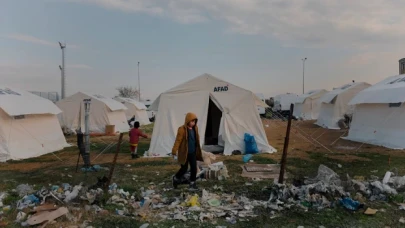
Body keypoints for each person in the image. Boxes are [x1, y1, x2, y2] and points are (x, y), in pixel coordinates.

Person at [171, 112, 203, 191]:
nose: (193, 123)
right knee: (184, 169)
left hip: (192, 152)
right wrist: (174, 151)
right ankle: (176, 178)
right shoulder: (182, 129)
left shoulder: (195, 128)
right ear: (187, 120)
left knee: (194, 168)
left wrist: (198, 149)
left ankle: (192, 183)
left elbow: (197, 139)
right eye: (192, 121)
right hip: (184, 153)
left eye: (194, 121)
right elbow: (178, 140)